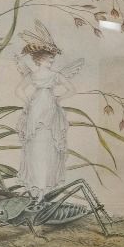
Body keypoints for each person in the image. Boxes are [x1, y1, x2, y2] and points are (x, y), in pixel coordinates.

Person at [15, 35, 82, 195]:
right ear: (39, 59)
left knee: (49, 145)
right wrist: (28, 103)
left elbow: (72, 89)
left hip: (45, 107)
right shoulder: (36, 75)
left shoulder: (53, 75)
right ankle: (37, 187)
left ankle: (43, 188)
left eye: (52, 59)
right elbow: (18, 90)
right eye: (48, 59)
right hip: (39, 107)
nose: (51, 61)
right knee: (35, 145)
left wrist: (57, 99)